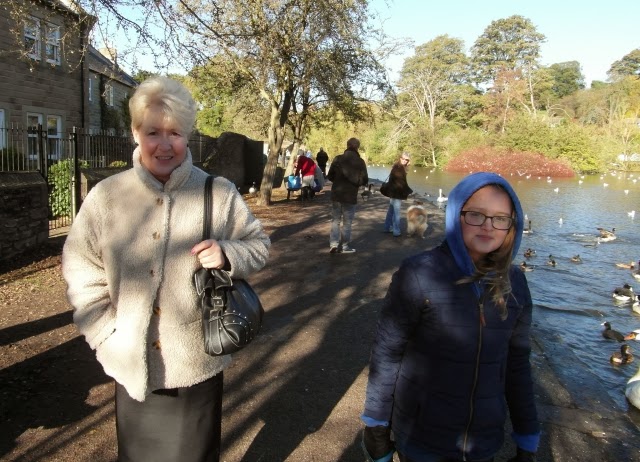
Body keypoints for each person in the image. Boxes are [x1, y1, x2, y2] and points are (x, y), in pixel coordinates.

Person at [62, 76, 270, 462]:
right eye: (153, 132)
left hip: (196, 368)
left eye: (174, 133)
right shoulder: (106, 197)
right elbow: (81, 268)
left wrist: (228, 254)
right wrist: (104, 333)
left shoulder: (218, 192)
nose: (164, 144)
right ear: (135, 133)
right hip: (131, 366)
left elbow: (259, 246)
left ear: (188, 135)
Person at [362, 172, 539, 462]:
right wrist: (376, 424)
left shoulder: (515, 284)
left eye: (500, 218)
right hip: (421, 439)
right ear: (456, 214)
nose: (488, 226)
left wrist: (527, 436)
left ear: (512, 224)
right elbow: (387, 353)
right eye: (476, 215)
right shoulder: (418, 273)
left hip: (483, 442)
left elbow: (517, 364)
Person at [326, 137, 368, 253]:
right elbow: (365, 179)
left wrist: (338, 181)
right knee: (347, 223)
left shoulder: (338, 159)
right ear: (357, 147)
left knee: (335, 220)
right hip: (350, 195)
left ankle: (333, 244)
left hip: (336, 194)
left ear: (347, 145)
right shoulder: (360, 162)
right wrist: (357, 183)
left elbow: (330, 176)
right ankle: (344, 246)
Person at [383, 152, 413, 237]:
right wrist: (409, 191)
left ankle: (387, 227)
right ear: (400, 158)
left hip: (393, 192)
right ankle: (396, 231)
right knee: (396, 213)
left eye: (406, 160)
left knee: (391, 211)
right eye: (403, 158)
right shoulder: (399, 168)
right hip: (396, 193)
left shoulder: (397, 166)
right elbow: (401, 183)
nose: (404, 161)